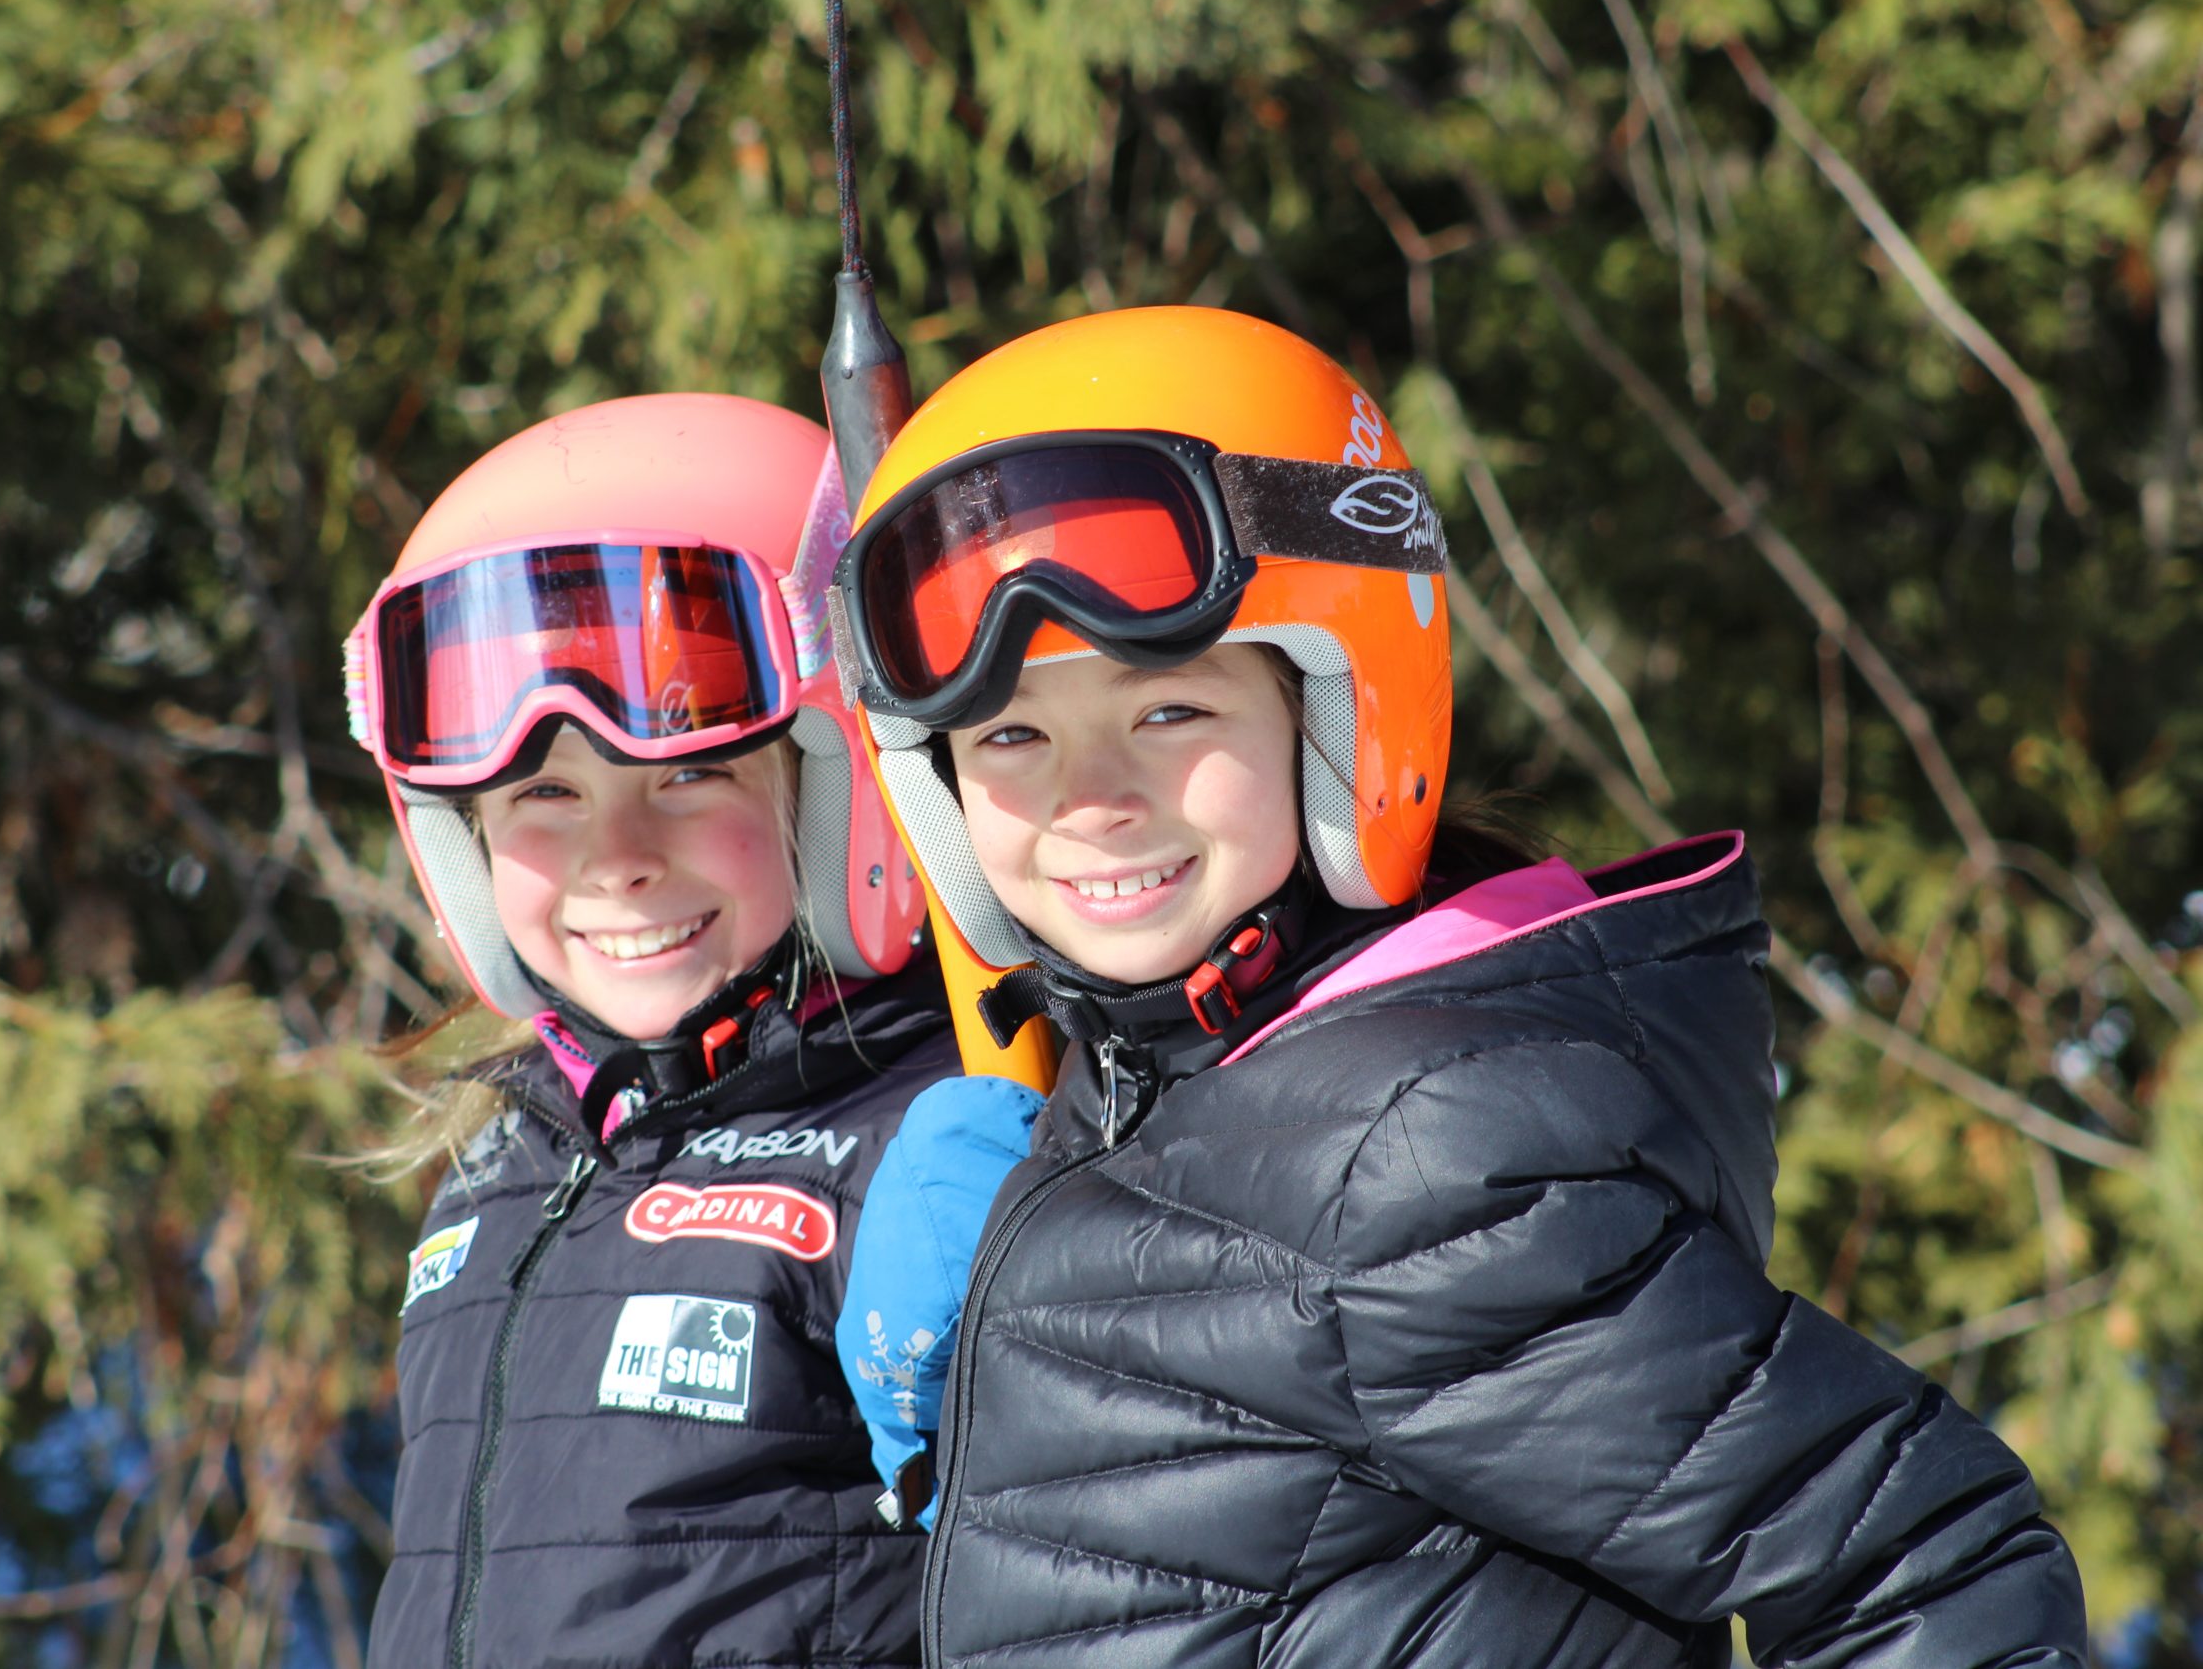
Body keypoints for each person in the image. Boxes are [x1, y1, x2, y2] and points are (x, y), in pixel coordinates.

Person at [825, 307, 2088, 1665]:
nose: (1090, 799)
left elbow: (1925, 1563)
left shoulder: (1417, 1163)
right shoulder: (1154, 1087)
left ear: (1339, 713)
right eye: (1011, 732)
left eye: (1167, 707)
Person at [345, 393, 958, 1668]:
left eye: (690, 774)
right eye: (545, 794)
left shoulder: (932, 1140)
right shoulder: (508, 1156)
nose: (615, 860)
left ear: (839, 781)